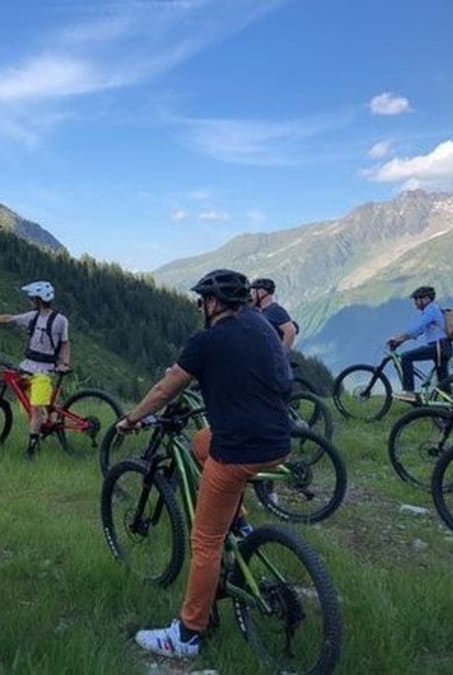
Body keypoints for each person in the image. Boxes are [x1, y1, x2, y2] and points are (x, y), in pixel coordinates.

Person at [117, 269, 292, 659]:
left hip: (237, 452)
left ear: (212, 303)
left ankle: (188, 634)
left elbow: (165, 389)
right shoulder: (262, 326)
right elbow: (278, 378)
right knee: (200, 441)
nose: (201, 308)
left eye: (202, 301)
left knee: (205, 543)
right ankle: (241, 523)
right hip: (279, 442)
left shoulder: (206, 340)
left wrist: (131, 419)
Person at [0, 281, 71, 460]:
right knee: (31, 408)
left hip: (44, 371)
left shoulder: (60, 320)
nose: (30, 301)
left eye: (32, 298)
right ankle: (50, 420)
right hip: (26, 367)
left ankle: (31, 450)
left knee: (37, 408)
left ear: (38, 299)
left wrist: (65, 363)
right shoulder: (32, 317)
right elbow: (9, 319)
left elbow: (65, 343)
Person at [385, 286, 453, 401]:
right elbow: (419, 331)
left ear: (426, 298)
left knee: (406, 357)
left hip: (438, 347)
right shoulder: (433, 310)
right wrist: (400, 340)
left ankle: (409, 392)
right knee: (443, 380)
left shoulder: (431, 310)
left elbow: (417, 327)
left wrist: (397, 338)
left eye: (417, 299)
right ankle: (451, 407)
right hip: (444, 347)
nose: (415, 302)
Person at [250, 278, 297, 351]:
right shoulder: (262, 311)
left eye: (253, 292)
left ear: (261, 293)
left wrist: (281, 353)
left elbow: (291, 331)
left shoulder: (275, 310)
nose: (251, 296)